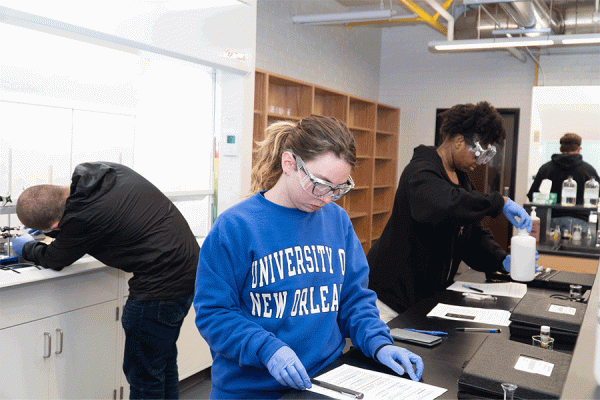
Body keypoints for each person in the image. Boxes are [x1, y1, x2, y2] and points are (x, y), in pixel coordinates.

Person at [194, 115, 424, 399]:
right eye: (320, 183)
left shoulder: (337, 221)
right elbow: (214, 313)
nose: (327, 198)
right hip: (252, 389)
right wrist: (267, 348)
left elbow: (353, 299)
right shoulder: (236, 227)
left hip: (325, 383)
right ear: (289, 163)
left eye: (338, 188)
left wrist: (379, 343)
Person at [11, 162, 199, 400]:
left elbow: (55, 257)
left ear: (55, 225)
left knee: (144, 376)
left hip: (159, 289)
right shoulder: (104, 173)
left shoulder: (83, 217)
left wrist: (26, 246)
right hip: (188, 272)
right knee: (161, 364)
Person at [367, 101, 533, 316]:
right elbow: (447, 204)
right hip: (389, 299)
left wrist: (501, 259)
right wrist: (498, 202)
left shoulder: (462, 179)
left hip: (423, 297)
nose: (481, 163)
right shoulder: (420, 172)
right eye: (478, 154)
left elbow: (471, 235)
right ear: (459, 141)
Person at [527, 132, 598, 206]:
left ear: (561, 148)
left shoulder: (546, 168)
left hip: (551, 215)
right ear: (579, 149)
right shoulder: (588, 170)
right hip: (580, 216)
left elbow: (532, 194)